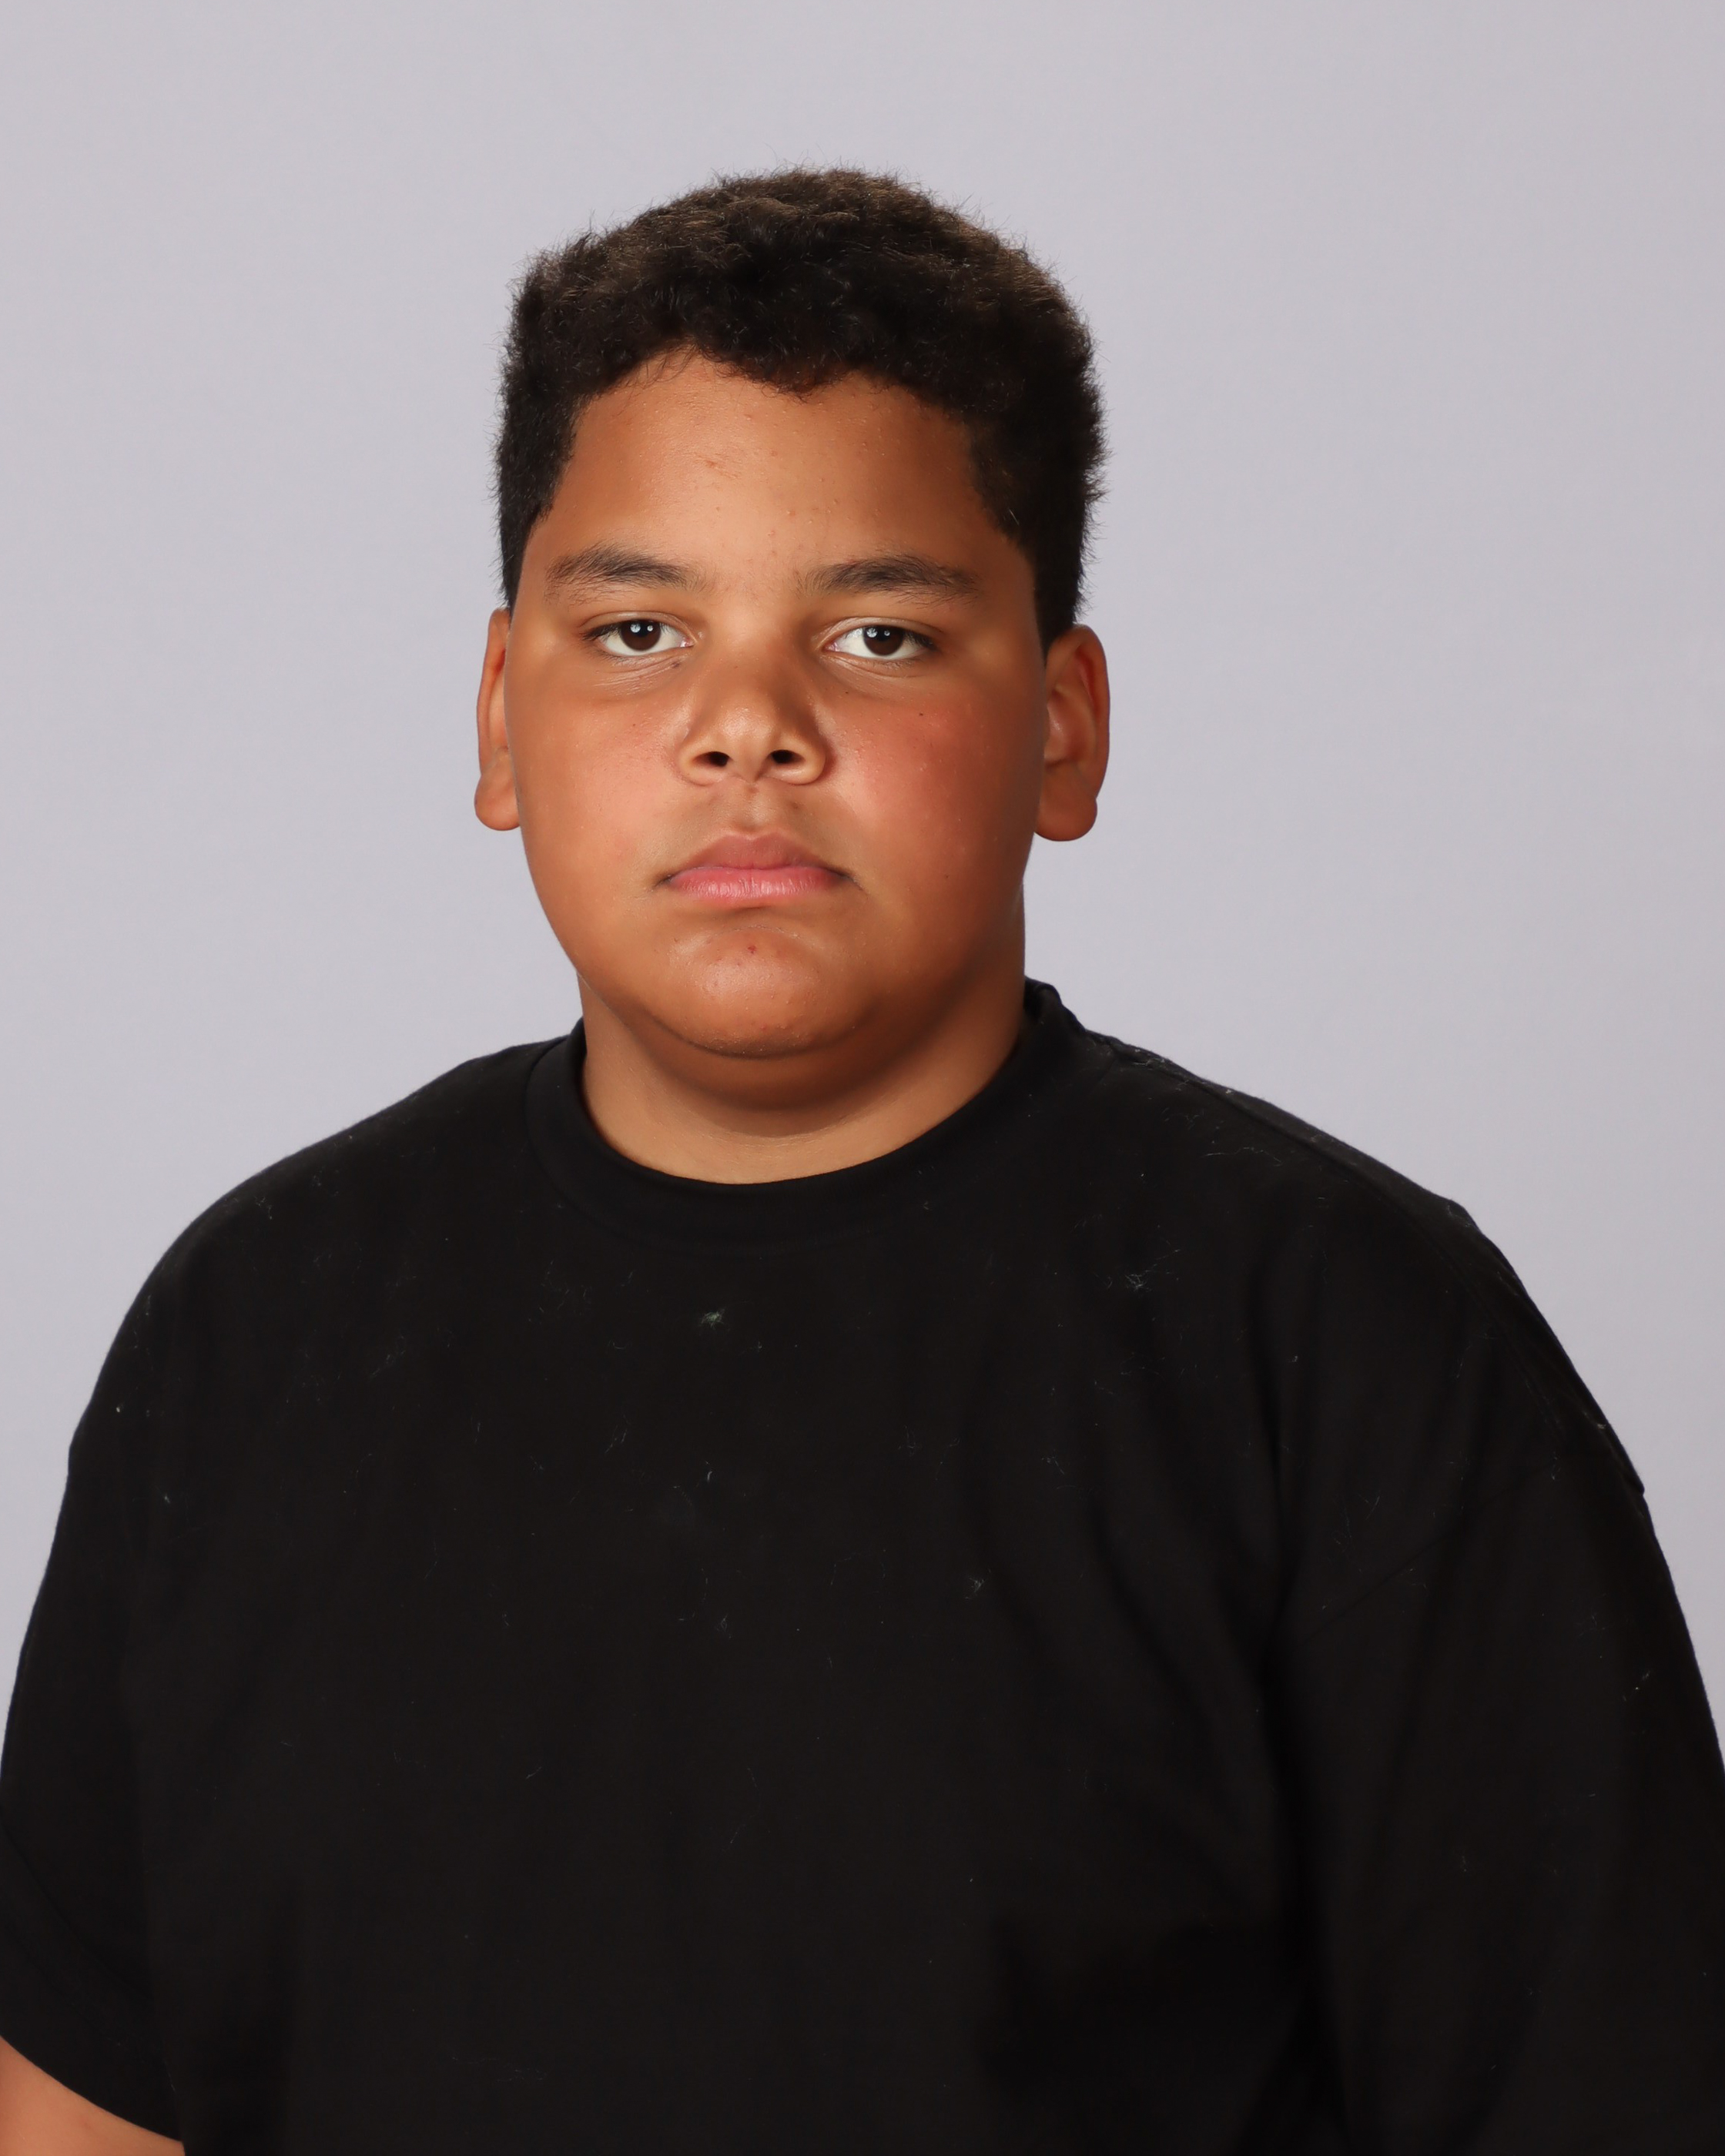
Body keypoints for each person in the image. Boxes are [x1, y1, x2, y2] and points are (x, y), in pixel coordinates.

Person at [1, 168, 1721, 2156]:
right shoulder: (252, 1333)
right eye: (638, 630)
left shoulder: (1350, 1352)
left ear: (1061, 727)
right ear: (500, 718)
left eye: (882, 634)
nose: (748, 727)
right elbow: (80, 2112)